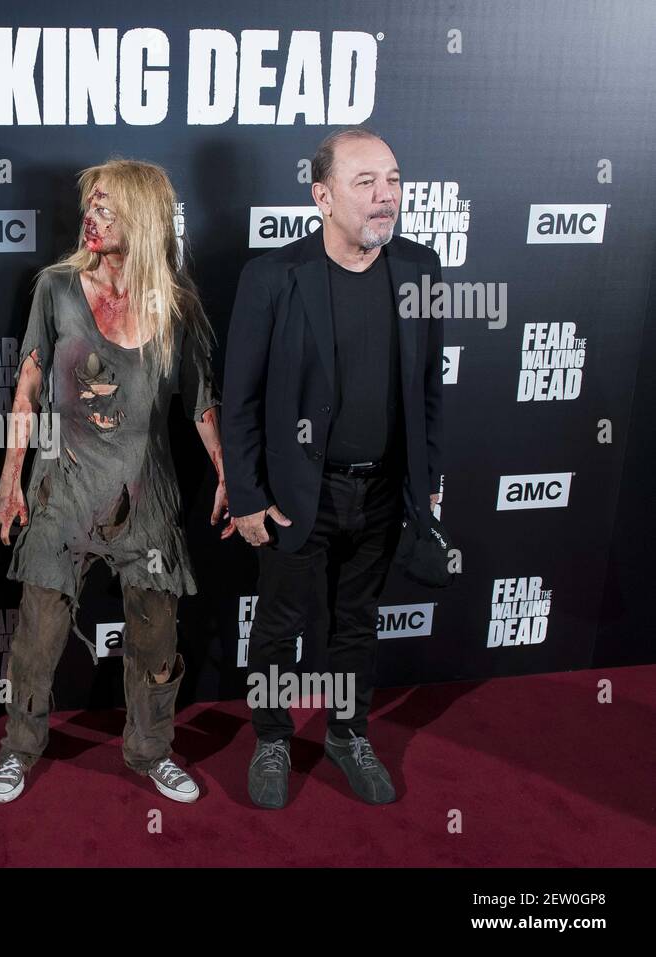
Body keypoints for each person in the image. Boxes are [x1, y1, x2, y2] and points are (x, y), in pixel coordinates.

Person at [0, 159, 235, 805]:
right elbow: (27, 389)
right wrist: (9, 480)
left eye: (108, 208)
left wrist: (230, 475)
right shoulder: (56, 288)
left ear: (145, 219)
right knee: (37, 638)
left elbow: (204, 404)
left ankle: (151, 751)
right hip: (60, 490)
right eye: (90, 205)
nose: (92, 218)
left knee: (156, 636)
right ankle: (18, 747)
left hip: (143, 495)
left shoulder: (177, 305)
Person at [221, 128, 444, 810]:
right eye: (366, 182)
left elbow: (430, 388)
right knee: (278, 625)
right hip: (295, 496)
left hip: (382, 492)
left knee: (357, 623)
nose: (387, 197)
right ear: (321, 196)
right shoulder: (272, 276)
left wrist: (426, 479)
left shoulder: (421, 268)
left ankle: (348, 734)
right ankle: (270, 737)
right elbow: (241, 399)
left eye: (394, 180)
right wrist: (249, 497)